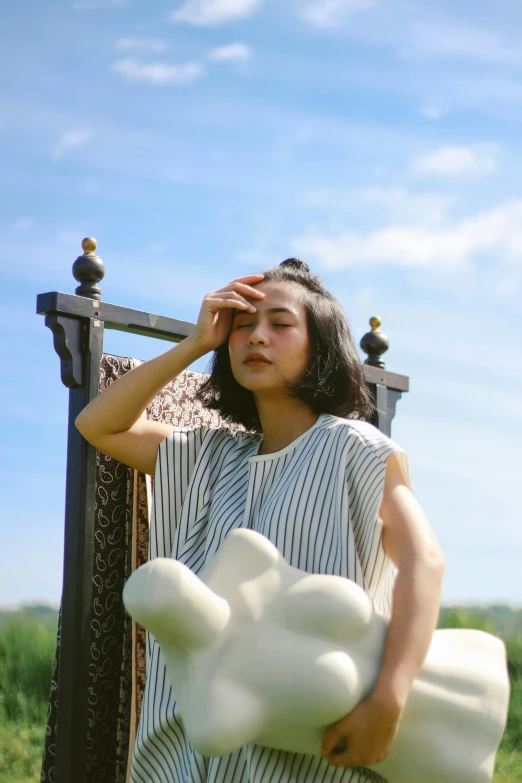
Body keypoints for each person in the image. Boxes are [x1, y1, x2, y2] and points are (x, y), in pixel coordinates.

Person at [75, 258, 446, 783]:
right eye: (242, 325)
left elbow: (425, 561)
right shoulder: (208, 455)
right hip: (187, 756)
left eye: (280, 323)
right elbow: (98, 424)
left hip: (311, 749)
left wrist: (389, 698)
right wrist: (195, 344)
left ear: (320, 345)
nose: (256, 337)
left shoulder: (354, 448)